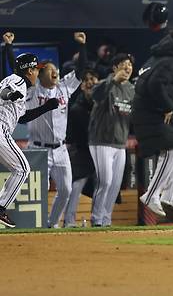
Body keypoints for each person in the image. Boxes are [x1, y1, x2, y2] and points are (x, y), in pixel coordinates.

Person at [26, 32, 88, 228]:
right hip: (38, 149)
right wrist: (9, 48)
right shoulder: (32, 91)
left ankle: (51, 224)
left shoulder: (63, 88)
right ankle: (39, 223)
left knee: (66, 189)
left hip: (60, 150)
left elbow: (81, 71)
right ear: (40, 73)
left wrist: (82, 47)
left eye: (56, 70)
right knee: (40, 191)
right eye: (51, 70)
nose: (55, 73)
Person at [133, 29, 173, 217]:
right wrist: (168, 107)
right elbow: (155, 84)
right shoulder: (170, 62)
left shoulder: (156, 59)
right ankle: (152, 195)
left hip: (146, 114)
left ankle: (170, 195)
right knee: (170, 150)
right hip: (151, 116)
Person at [0, 53, 58, 228]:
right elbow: (4, 92)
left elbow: (23, 117)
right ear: (29, 70)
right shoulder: (16, 80)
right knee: (22, 168)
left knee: (20, 169)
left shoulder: (22, 86)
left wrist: (46, 107)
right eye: (35, 69)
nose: (37, 73)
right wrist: (10, 95)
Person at [88, 54, 135, 227]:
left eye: (130, 65)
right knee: (105, 181)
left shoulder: (131, 89)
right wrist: (113, 80)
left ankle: (106, 219)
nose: (128, 68)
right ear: (115, 68)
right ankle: (96, 218)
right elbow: (96, 96)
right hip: (101, 141)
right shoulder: (104, 84)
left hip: (120, 142)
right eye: (124, 64)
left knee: (115, 185)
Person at [63, 69, 100, 227]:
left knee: (101, 185)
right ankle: (69, 221)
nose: (91, 82)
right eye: (87, 80)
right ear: (82, 86)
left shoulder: (102, 104)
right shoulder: (76, 108)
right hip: (82, 153)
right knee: (76, 186)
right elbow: (75, 136)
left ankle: (98, 220)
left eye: (94, 79)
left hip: (99, 152)